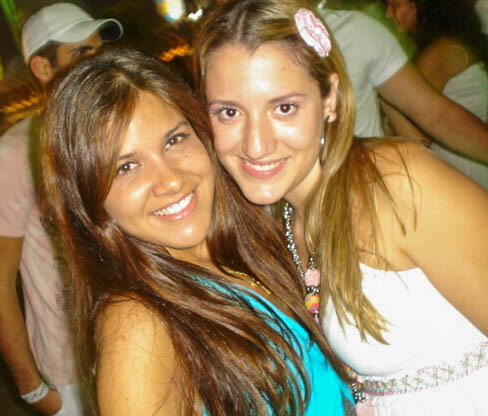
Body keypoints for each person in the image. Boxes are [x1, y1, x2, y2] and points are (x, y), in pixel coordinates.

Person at [194, 0, 488, 415]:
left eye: (284, 107)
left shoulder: (393, 184)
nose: (256, 144)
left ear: (330, 99)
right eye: (229, 113)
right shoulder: (281, 218)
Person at [40, 48, 354, 416]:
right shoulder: (136, 324)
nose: (170, 180)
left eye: (174, 141)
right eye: (126, 167)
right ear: (91, 200)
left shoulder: (252, 244)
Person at [206, 0, 488, 164]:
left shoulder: (351, 32)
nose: (233, 9)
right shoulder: (228, 69)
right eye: (223, 0)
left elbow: (435, 115)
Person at [0, 3, 122, 416]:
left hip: (141, 343)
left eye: (99, 50)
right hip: (74, 373)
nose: (97, 63)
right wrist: (36, 391)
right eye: (81, 53)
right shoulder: (11, 158)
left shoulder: (115, 133)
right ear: (42, 67)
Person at [384, 0, 488, 190]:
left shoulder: (437, 55)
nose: (388, 13)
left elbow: (416, 137)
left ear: (418, 5)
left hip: (465, 170)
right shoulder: (452, 42)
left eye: (395, 4)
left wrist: (384, 85)